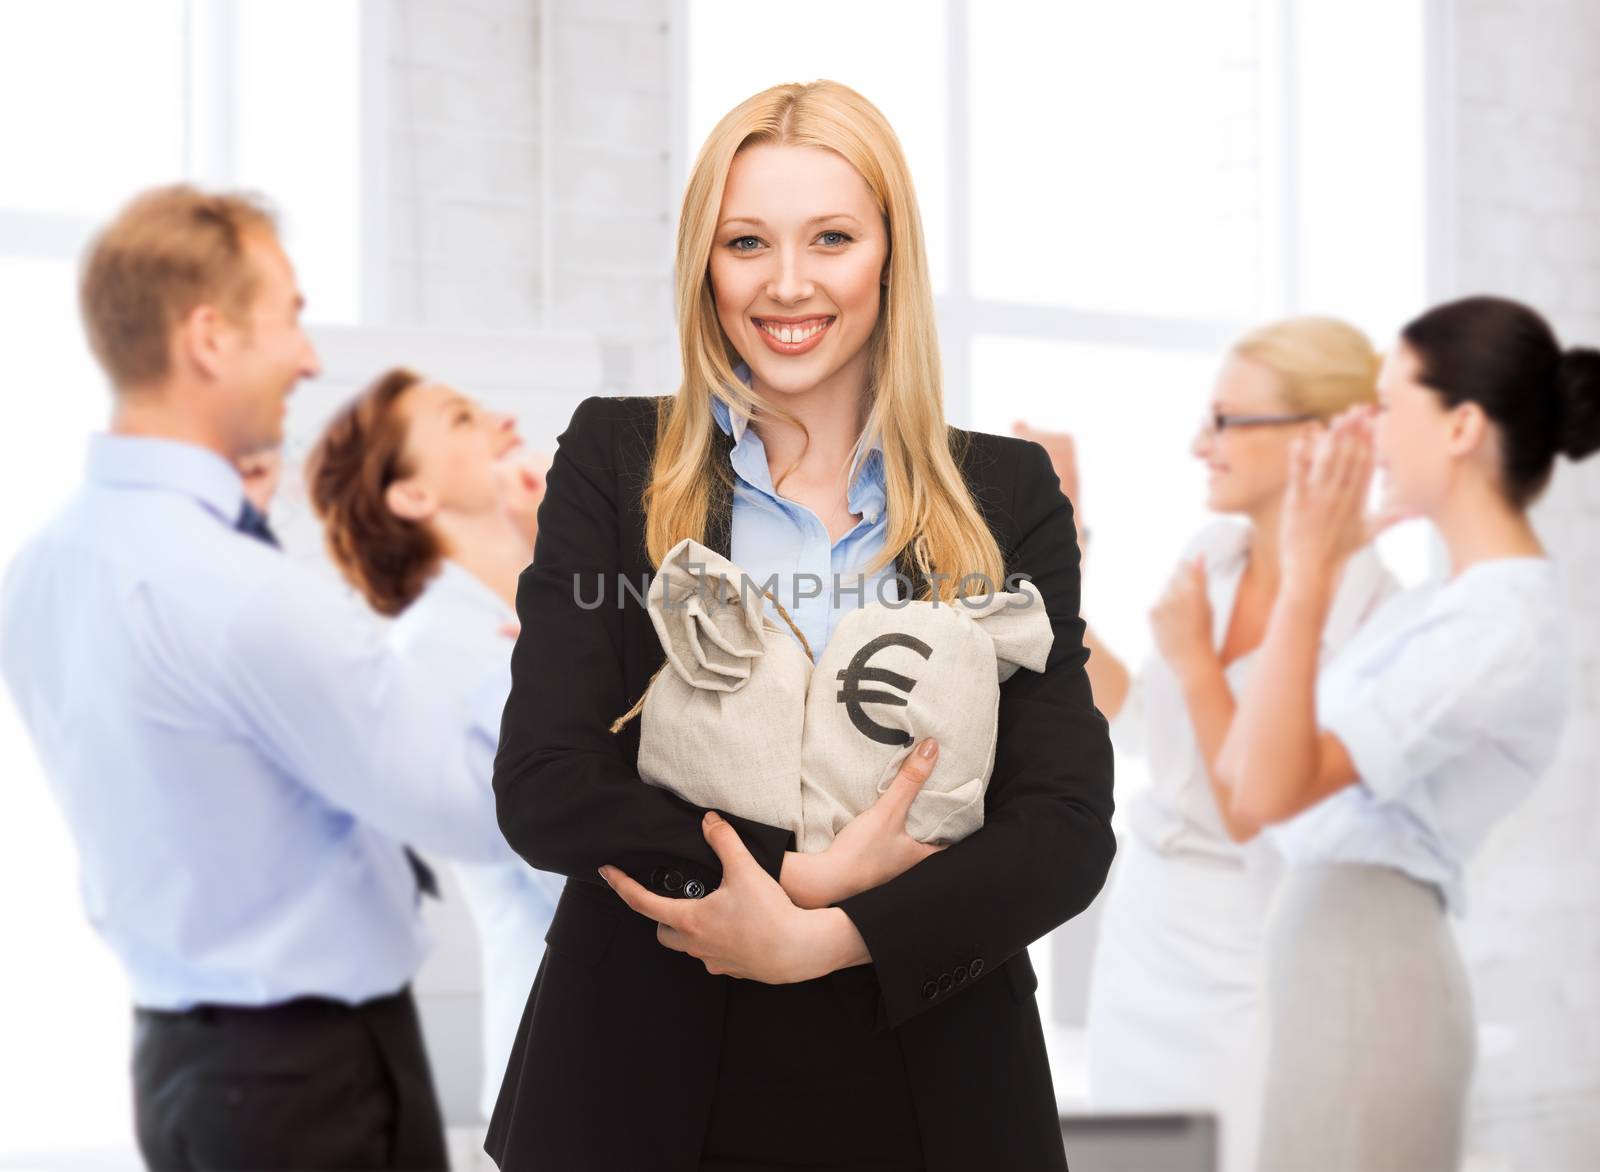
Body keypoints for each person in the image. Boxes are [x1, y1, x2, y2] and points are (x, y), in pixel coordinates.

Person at [483, 81, 1116, 1172]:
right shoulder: (615, 456)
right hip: (641, 1080)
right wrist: (795, 872)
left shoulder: (1007, 492)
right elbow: (546, 782)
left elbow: (1062, 826)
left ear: (887, 257)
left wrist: (830, 930)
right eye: (745, 242)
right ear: (704, 264)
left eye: (830, 237)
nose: (787, 283)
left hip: (932, 1083)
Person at [0, 185, 509, 1170]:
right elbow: (472, 804)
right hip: (309, 1086)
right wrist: (552, 655)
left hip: (186, 1065)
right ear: (209, 337)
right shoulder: (236, 592)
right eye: (289, 317)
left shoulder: (39, 568)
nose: (309, 357)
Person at [1216, 295, 1600, 1170]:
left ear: (1463, 426)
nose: (1368, 429)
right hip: (1331, 954)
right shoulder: (1436, 607)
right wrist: (1309, 564)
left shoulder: (1502, 628)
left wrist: (1310, 572)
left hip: (1370, 964)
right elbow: (1247, 768)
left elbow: (1272, 786)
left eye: (1389, 404)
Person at [1024, 317, 1398, 1172]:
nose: (1201, 443)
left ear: (1319, 438)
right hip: (1151, 935)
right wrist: (1062, 545)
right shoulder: (1213, 557)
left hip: (1260, 955)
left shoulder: (1375, 616)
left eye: (1228, 421)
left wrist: (1196, 664)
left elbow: (1257, 810)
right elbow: (1146, 715)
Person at [305, 365, 564, 1122]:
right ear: (413, 495)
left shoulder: (553, 607)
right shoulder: (437, 654)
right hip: (573, 1067)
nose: (502, 418)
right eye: (460, 419)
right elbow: (573, 858)